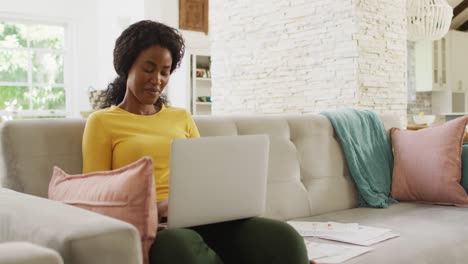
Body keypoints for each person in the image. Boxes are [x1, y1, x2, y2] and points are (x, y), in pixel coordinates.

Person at [82, 20, 314, 264]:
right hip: (156, 228)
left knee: (284, 239)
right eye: (148, 69)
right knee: (183, 248)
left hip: (204, 218)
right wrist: (157, 207)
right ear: (127, 66)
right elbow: (97, 196)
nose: (157, 79)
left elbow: (204, 175)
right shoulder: (102, 121)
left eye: (164, 71)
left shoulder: (181, 117)